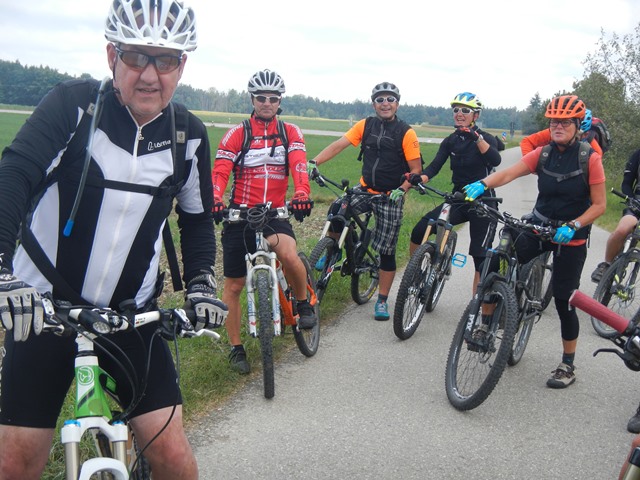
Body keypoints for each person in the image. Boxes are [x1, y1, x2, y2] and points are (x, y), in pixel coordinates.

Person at [0, 1, 229, 479]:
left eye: (165, 60)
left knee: (174, 458)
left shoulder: (187, 134)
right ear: (112, 57)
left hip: (131, 316)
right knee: (16, 460)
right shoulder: (74, 106)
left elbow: (196, 220)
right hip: (44, 313)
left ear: (181, 66)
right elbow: (14, 177)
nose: (150, 74)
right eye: (136, 56)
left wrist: (201, 283)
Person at [463, 94, 606, 388]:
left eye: (565, 122)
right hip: (539, 225)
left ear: (578, 126)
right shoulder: (543, 154)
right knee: (496, 258)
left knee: (565, 300)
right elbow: (509, 173)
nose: (558, 126)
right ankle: (485, 326)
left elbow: (599, 205)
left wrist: (575, 225)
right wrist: (482, 184)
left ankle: (567, 365)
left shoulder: (589, 158)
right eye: (554, 122)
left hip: (570, 236)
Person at [212, 69, 316, 374]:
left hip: (274, 213)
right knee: (234, 285)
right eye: (261, 98)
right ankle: (236, 348)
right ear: (252, 99)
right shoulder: (237, 133)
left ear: (280, 101)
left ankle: (303, 302)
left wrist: (302, 193)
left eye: (273, 98)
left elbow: (298, 166)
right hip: (241, 214)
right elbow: (220, 171)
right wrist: (215, 197)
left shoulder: (290, 132)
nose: (267, 103)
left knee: (288, 255)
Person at [308, 82, 422, 321]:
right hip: (365, 189)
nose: (385, 103)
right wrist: (314, 162)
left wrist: (402, 189)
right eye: (380, 99)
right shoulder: (365, 125)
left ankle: (381, 300)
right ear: (373, 104)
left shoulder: (406, 132)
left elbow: (415, 170)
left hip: (390, 195)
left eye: (390, 99)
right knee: (337, 209)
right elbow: (339, 145)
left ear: (397, 104)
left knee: (387, 251)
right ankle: (334, 250)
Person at [407, 92, 501, 295]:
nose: (459, 113)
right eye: (456, 110)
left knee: (480, 257)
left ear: (475, 115)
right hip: (458, 199)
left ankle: (477, 307)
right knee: (419, 230)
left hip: (483, 202)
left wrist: (476, 137)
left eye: (465, 110)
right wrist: (419, 179)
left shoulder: (486, 138)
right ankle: (415, 276)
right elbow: (434, 167)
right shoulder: (451, 140)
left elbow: (495, 160)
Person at [591, 149, 640, 284]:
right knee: (622, 230)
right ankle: (606, 265)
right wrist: (631, 199)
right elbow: (627, 183)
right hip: (637, 205)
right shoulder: (638, 154)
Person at [520, 108, 604, 156]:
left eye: (579, 134)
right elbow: (527, 141)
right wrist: (532, 164)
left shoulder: (592, 144)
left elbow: (596, 164)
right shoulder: (554, 132)